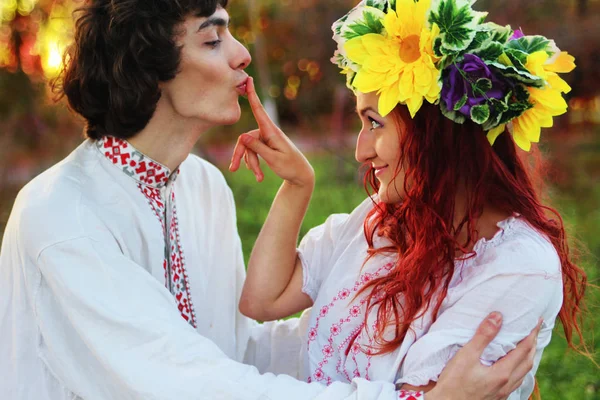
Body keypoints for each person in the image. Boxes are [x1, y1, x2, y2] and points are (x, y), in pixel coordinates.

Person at [0, 0, 541, 399]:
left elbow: (237, 349)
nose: (240, 55)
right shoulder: (62, 215)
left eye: (231, 33)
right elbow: (178, 381)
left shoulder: (202, 188)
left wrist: (373, 332)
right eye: (212, 41)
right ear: (148, 69)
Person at [233, 0, 587, 399]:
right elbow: (262, 300)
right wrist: (297, 186)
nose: (361, 151)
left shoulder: (519, 265)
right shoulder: (379, 221)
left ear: (435, 131)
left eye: (374, 123)